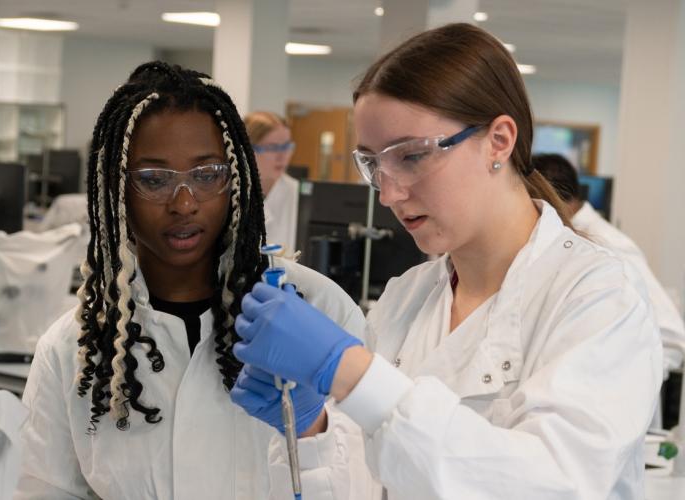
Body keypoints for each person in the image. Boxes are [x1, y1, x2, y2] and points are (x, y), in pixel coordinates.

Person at [230, 23, 662, 499]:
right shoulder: (406, 297)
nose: (390, 193)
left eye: (411, 156)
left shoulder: (597, 295)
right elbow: (374, 482)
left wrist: (352, 372)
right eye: (374, 164)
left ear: (499, 140)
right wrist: (314, 426)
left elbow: (554, 486)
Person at [15, 62, 373, 499]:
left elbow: (372, 480)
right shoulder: (72, 349)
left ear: (235, 179)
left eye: (206, 176)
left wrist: (315, 427)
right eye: (153, 179)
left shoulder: (319, 308)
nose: (184, 203)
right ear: (116, 188)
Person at [532, 153, 685, 373]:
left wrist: (614, 379)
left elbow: (672, 338)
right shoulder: (562, 239)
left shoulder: (608, 244)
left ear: (550, 197)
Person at [244, 112, 299, 255]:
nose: (282, 156)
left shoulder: (297, 193)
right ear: (248, 149)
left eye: (286, 147)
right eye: (273, 148)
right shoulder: (229, 191)